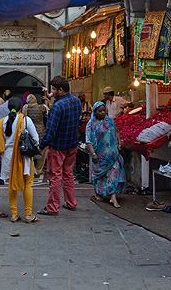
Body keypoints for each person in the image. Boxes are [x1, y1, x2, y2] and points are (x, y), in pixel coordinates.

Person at [38, 76, 82, 216]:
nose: (52, 92)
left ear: (61, 90)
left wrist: (41, 145)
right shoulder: (76, 101)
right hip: (72, 144)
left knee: (55, 177)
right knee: (68, 174)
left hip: (58, 146)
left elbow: (50, 131)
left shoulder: (58, 107)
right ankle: (71, 203)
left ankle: (52, 207)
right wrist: (51, 96)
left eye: (54, 90)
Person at [0, 97, 39, 223]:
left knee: (12, 184)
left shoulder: (2, 122)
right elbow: (36, 138)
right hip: (23, 156)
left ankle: (14, 214)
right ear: (21, 108)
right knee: (28, 183)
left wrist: (0, 149)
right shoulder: (25, 120)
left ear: (8, 108)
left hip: (8, 157)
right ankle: (28, 215)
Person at [86, 101, 126, 208]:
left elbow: (116, 132)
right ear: (95, 112)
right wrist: (93, 153)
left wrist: (119, 144)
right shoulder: (91, 124)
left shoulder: (109, 121)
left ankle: (113, 196)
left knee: (114, 173)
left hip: (112, 155)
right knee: (99, 176)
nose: (103, 113)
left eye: (104, 110)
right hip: (99, 155)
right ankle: (98, 193)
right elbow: (88, 140)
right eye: (100, 111)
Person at [23, 94, 48, 180]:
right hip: (40, 130)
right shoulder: (41, 107)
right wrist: (47, 100)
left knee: (30, 148)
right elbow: (50, 112)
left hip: (29, 131)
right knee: (41, 150)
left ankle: (31, 169)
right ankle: (39, 169)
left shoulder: (25, 108)